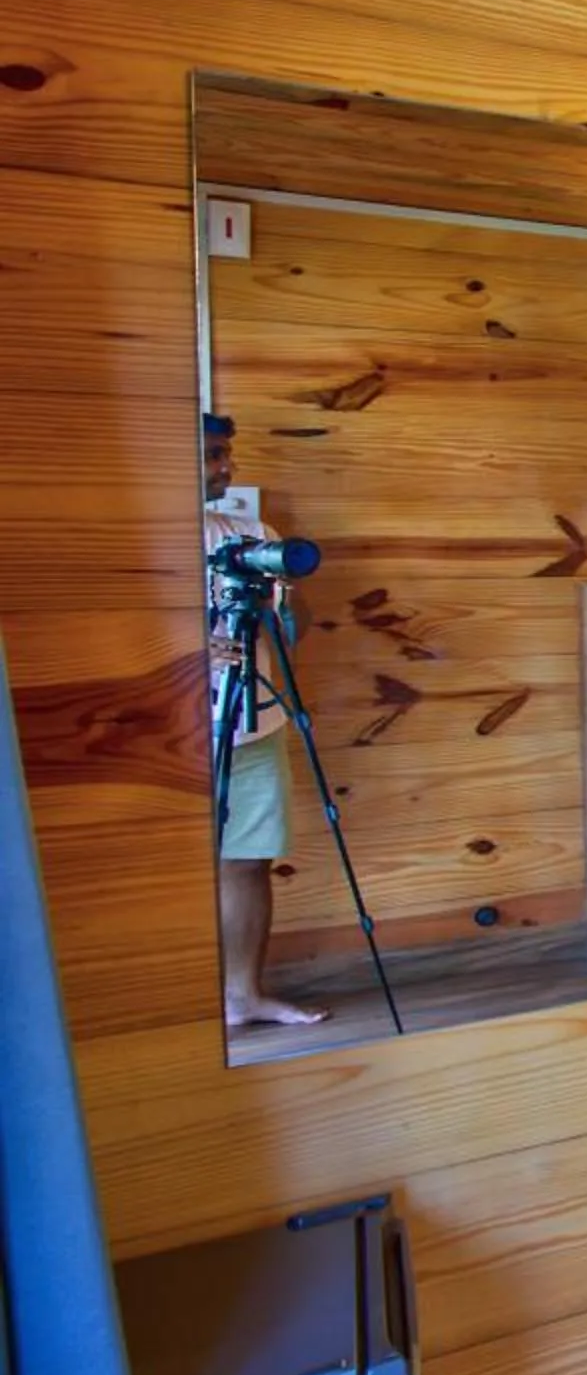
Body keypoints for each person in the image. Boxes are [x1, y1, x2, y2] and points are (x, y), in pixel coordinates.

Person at [202, 413, 324, 1029]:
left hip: (256, 721)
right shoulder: (135, 536)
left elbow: (287, 628)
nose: (227, 467)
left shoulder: (253, 534)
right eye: (213, 455)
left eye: (227, 454)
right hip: (172, 733)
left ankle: (242, 994)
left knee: (246, 858)